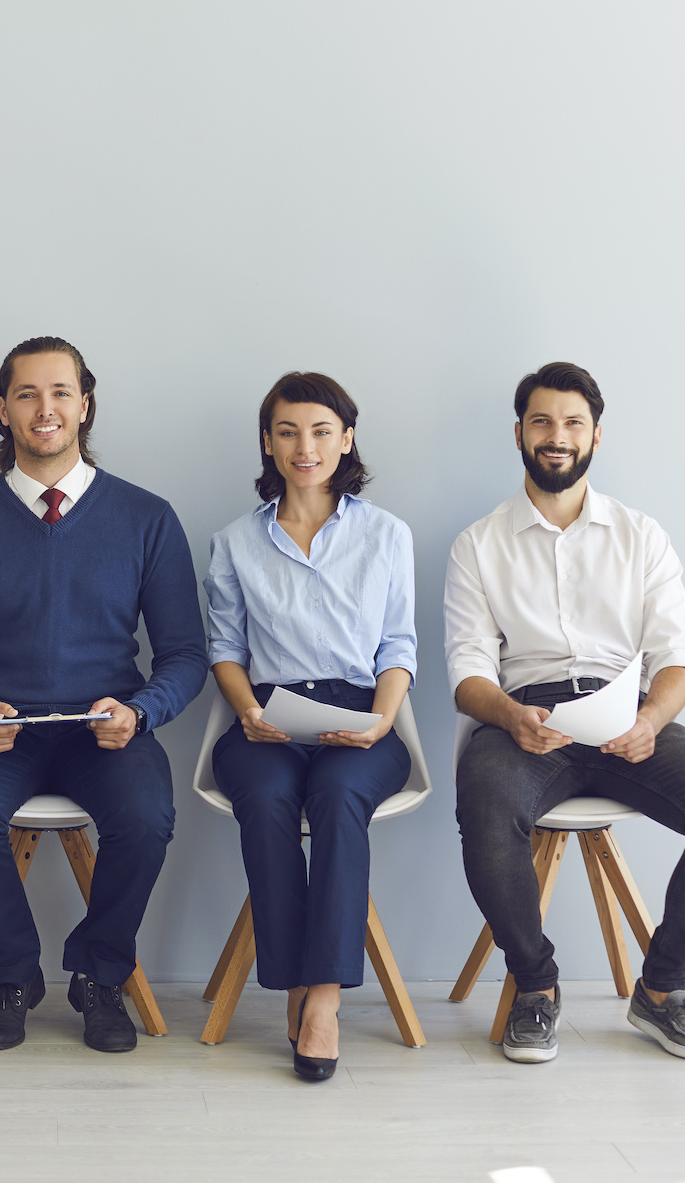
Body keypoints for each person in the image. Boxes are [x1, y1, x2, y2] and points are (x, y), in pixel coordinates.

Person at [445, 361, 685, 1064]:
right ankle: (536, 987)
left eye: (572, 423)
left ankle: (661, 989)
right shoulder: (479, 544)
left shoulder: (640, 535)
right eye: (542, 422)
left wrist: (649, 720)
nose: (557, 436)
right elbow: (466, 672)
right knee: (486, 802)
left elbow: (677, 657)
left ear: (594, 436)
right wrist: (508, 714)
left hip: (627, 718)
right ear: (520, 434)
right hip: (526, 723)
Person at [0, 335, 206, 1053]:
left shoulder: (147, 518)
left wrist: (140, 712)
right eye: (28, 394)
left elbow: (186, 656)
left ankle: (101, 975)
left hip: (104, 732)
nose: (46, 409)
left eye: (61, 392)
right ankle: (11, 976)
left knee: (147, 816)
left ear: (85, 405)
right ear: (2, 411)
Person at [203, 372, 416, 1082]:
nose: (305, 446)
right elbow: (225, 649)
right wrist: (248, 711)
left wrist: (383, 719)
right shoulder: (235, 540)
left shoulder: (387, 535)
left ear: (346, 438)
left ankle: (319, 999)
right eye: (288, 431)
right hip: (268, 714)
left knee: (334, 799)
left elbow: (397, 648)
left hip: (361, 713)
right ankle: (292, 983)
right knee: (264, 800)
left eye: (322, 430)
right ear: (268, 442)